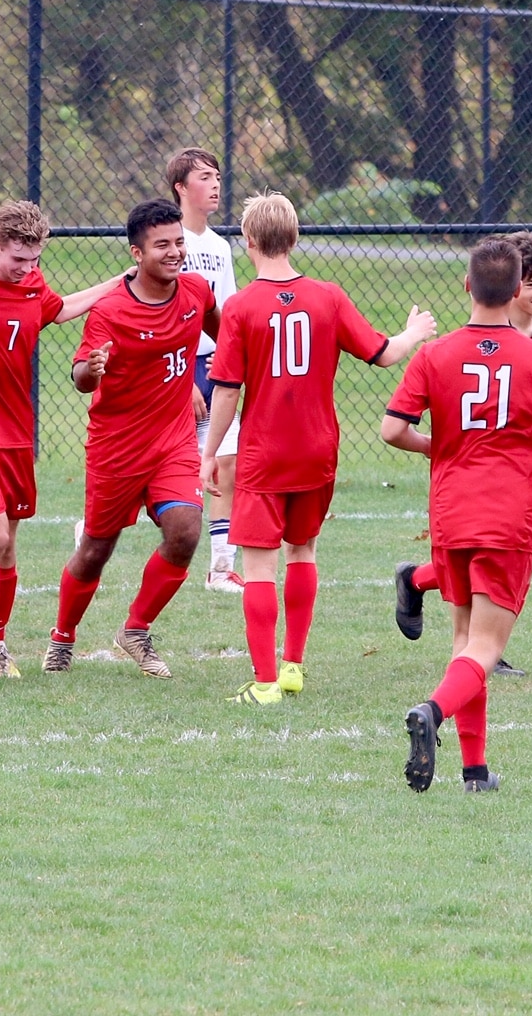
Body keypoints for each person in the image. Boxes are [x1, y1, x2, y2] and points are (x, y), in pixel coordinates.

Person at [200, 191, 435, 706]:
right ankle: (292, 667)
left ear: (249, 240)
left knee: (259, 565)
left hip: (265, 451)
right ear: (295, 238)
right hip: (317, 449)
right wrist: (414, 331)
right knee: (302, 551)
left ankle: (264, 684)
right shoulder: (327, 296)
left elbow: (227, 389)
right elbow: (383, 353)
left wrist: (211, 451)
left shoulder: (240, 307)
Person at [384, 237, 532, 792]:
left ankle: (475, 770)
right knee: (486, 650)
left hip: (450, 513)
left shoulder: (433, 354)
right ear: (517, 290)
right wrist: (515, 457)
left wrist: (437, 447)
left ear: (468, 286)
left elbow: (393, 429)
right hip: (507, 516)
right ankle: (431, 712)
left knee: (465, 643)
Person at [0, 201, 125, 679]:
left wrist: (123, 281)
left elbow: (61, 310)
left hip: (16, 433)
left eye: (34, 260)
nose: (26, 270)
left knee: (10, 543)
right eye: (17, 259)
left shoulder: (33, 284)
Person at [45, 199, 223, 678]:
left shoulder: (196, 291)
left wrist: (210, 376)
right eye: (162, 245)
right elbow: (81, 373)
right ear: (136, 253)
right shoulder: (110, 311)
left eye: (179, 242)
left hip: (174, 442)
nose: (174, 252)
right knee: (96, 550)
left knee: (185, 530)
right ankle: (62, 637)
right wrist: (92, 371)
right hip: (117, 447)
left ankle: (136, 629)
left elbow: (221, 332)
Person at [395, 229, 532, 677]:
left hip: (513, 475)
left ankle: (467, 629)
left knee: (528, 553)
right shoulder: (464, 344)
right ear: (511, 288)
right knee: (499, 558)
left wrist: (522, 456)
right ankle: (479, 648)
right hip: (474, 474)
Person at [166, 148, 244, 592]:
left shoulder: (218, 246)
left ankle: (220, 568)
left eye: (217, 177)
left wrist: (232, 356)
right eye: (204, 177)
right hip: (176, 366)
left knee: (227, 462)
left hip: (214, 367)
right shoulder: (172, 243)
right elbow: (167, 311)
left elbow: (228, 311)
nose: (215, 185)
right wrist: (182, 377)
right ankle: (94, 527)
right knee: (161, 469)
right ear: (181, 188)